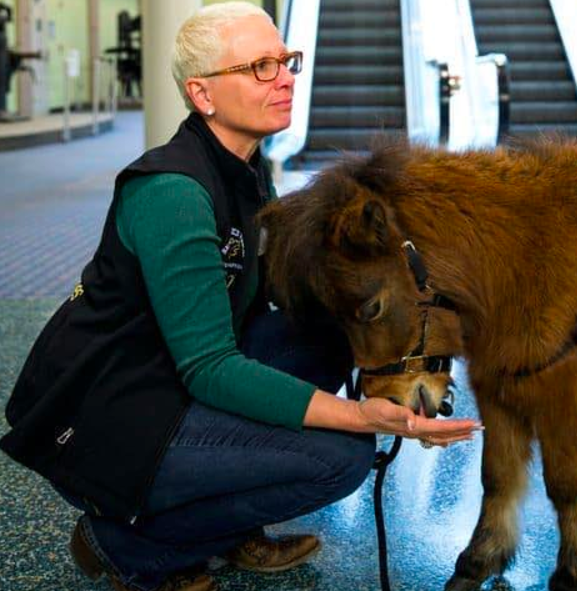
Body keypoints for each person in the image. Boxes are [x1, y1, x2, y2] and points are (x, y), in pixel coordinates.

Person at [0, 4, 482, 591]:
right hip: (110, 411)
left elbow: (276, 293)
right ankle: (130, 547)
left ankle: (222, 524)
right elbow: (210, 370)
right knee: (341, 460)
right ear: (202, 94)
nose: (284, 76)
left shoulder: (247, 169)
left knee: (327, 336)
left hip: (163, 371)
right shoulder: (172, 193)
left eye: (285, 61)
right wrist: (360, 415)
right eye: (259, 66)